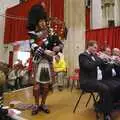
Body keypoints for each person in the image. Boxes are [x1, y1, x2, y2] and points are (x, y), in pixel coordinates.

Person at [27, 4, 64, 115]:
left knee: (46, 85)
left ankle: (43, 104)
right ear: (36, 22)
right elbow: (33, 46)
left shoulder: (51, 33)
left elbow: (60, 44)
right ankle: (36, 105)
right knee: (36, 86)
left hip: (48, 62)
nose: (43, 23)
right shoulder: (32, 34)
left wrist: (58, 48)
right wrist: (45, 51)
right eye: (40, 21)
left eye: (44, 20)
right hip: (37, 61)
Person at [79, 40, 113, 120]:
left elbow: (104, 68)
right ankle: (106, 114)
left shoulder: (95, 56)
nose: (96, 49)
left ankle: (101, 106)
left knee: (110, 87)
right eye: (94, 47)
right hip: (86, 82)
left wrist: (110, 62)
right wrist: (100, 58)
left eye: (96, 48)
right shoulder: (83, 55)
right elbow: (89, 66)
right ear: (89, 46)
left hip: (95, 81)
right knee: (106, 89)